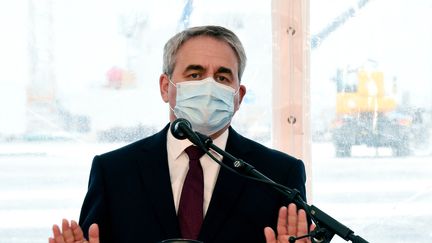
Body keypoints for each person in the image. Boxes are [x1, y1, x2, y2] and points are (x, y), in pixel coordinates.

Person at [49, 25, 311, 243]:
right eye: (195, 74)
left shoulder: (279, 175)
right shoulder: (114, 171)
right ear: (166, 87)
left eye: (222, 77)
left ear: (238, 97)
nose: (208, 86)